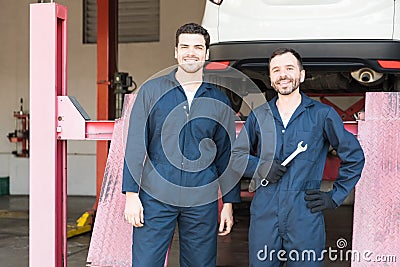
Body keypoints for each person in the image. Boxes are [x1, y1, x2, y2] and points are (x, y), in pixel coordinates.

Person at [232, 48, 365, 266]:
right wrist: (262, 167)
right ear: (271, 78)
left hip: (304, 213)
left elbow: (355, 157)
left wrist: (334, 196)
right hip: (265, 212)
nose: (282, 75)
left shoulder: (322, 115)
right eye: (276, 70)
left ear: (301, 75)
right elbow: (236, 158)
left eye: (289, 68)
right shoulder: (259, 116)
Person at [122, 22, 241, 267]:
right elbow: (135, 143)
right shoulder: (151, 91)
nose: (191, 52)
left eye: (198, 47)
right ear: (175, 51)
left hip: (201, 197)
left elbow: (226, 155)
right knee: (145, 262)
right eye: (185, 46)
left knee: (200, 263)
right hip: (155, 195)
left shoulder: (218, 99)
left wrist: (228, 202)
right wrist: (131, 194)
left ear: (206, 54)